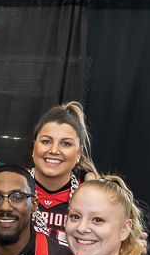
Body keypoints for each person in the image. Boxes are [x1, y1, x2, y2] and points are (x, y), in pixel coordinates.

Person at [28, 101, 98, 245]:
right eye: (46, 141)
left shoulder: (94, 197)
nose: (54, 150)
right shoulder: (13, 187)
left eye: (66, 144)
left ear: (79, 152)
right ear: (34, 146)